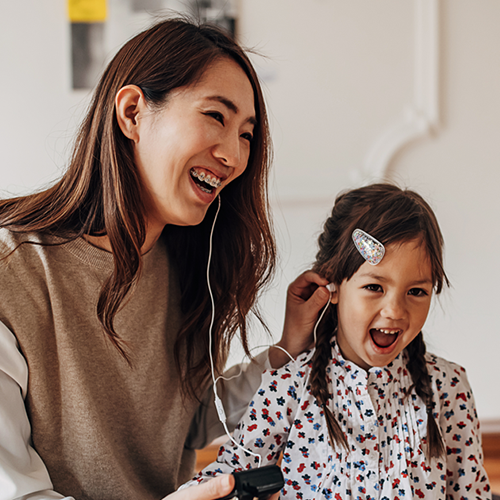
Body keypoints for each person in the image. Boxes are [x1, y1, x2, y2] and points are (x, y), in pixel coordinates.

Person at [0, 18, 330, 500]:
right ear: (133, 112)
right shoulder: (13, 272)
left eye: (246, 134)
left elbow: (189, 422)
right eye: (217, 116)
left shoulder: (192, 272)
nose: (235, 158)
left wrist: (287, 348)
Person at [184, 183, 492, 499]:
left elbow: (471, 492)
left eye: (417, 292)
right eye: (375, 287)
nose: (396, 311)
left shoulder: (450, 387)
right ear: (332, 284)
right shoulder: (288, 386)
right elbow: (225, 478)